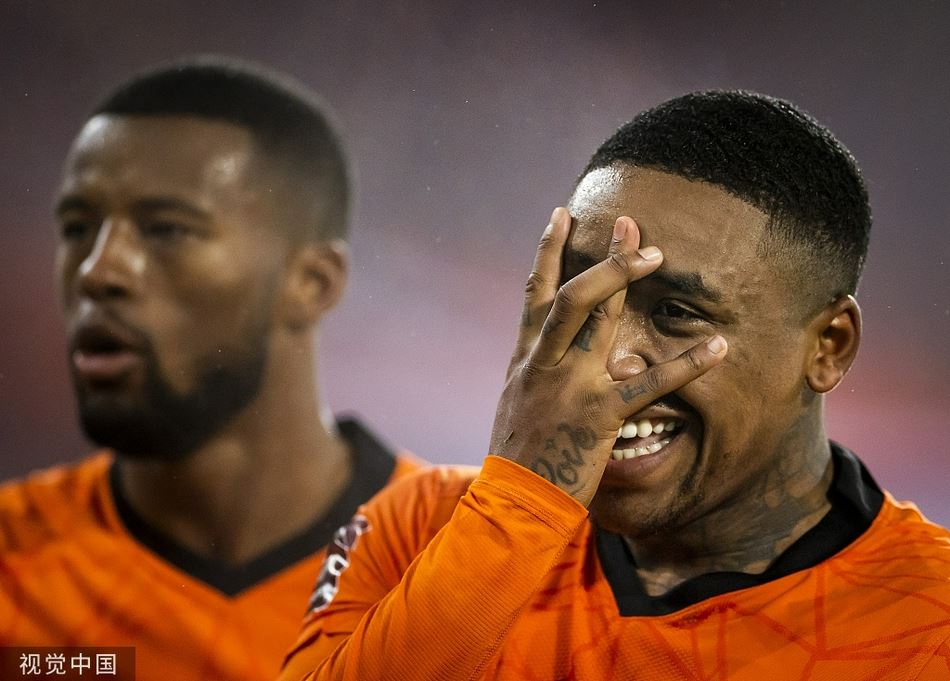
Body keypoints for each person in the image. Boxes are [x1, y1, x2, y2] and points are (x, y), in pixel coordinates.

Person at [280, 91, 950, 681]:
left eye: (676, 312)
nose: (608, 359)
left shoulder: (931, 623)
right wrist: (519, 507)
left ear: (829, 346)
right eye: (585, 293)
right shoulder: (419, 527)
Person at [0, 57, 419, 681]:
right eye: (78, 228)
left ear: (311, 283)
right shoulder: (13, 564)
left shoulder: (467, 566)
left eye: (166, 229)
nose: (97, 270)